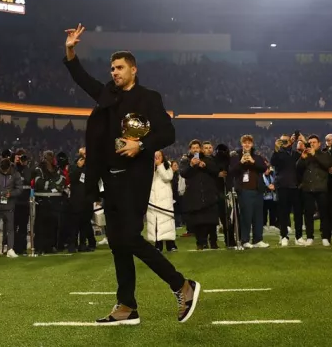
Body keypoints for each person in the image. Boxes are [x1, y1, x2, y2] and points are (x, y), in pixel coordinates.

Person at [63, 23, 199, 325]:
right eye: (112, 68)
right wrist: (71, 51)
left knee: (127, 238)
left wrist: (141, 145)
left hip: (134, 177)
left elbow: (168, 132)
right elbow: (81, 78)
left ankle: (182, 285)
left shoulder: (148, 98)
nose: (114, 72)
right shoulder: (107, 96)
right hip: (109, 178)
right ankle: (126, 306)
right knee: (116, 242)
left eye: (120, 67)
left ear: (133, 70)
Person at [180, 140, 221, 251]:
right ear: (190, 150)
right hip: (195, 196)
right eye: (193, 148)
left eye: (197, 147)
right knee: (198, 222)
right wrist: (191, 165)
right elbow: (183, 173)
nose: (195, 150)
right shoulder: (185, 160)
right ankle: (201, 243)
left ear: (200, 149)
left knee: (211, 221)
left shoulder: (208, 159)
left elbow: (216, 171)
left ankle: (213, 242)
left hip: (209, 195)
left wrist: (205, 166)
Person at [230, 135, 269, 248]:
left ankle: (258, 239)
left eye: (249, 143)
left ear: (252, 144)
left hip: (257, 190)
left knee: (258, 216)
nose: (247, 145)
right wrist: (241, 162)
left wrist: (252, 162)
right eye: (245, 142)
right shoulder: (235, 157)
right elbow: (232, 171)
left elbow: (263, 168)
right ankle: (245, 240)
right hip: (244, 190)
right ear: (241, 144)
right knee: (246, 216)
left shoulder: (257, 157)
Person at [298, 135, 332, 246]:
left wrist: (315, 155)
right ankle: (309, 237)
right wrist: (301, 159)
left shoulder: (325, 154)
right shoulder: (305, 155)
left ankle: (325, 237)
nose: (312, 144)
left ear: (319, 144)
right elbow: (297, 169)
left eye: (314, 142)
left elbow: (327, 165)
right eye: (310, 142)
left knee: (324, 213)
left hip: (321, 187)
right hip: (307, 188)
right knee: (308, 214)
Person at [270, 134, 303, 247]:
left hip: (295, 186)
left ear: (290, 141)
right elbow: (273, 162)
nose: (283, 142)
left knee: (298, 213)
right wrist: (276, 149)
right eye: (281, 140)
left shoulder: (295, 154)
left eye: (285, 140)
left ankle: (299, 237)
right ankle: (284, 236)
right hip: (282, 186)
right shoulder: (278, 154)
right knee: (283, 213)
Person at [0, 156, 22, 258]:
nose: (5, 172)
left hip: (9, 205)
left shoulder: (15, 173)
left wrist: (11, 194)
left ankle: (10, 249)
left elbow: (19, 188)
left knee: (10, 228)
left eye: (6, 170)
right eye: (3, 170)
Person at [33, 151, 65, 255]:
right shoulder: (38, 169)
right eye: (47, 157)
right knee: (40, 226)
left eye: (50, 157)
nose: (48, 159)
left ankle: (51, 246)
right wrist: (53, 185)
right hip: (42, 201)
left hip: (55, 202)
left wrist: (50, 185)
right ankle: (39, 247)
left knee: (53, 225)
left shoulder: (57, 169)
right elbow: (38, 183)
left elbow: (62, 180)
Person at [147, 151, 177, 252]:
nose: (157, 158)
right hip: (152, 200)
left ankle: (171, 245)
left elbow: (167, 177)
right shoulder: (148, 167)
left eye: (159, 156)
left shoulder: (167, 165)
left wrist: (159, 165)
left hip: (165, 200)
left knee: (167, 223)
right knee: (155, 223)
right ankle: (158, 245)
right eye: (155, 156)